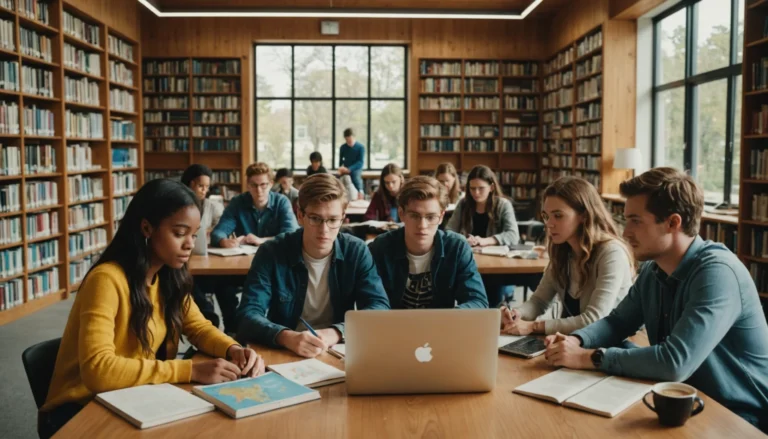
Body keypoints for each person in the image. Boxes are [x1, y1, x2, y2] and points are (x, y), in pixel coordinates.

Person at [542, 168, 768, 432]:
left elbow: (674, 363)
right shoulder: (654, 268)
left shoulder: (717, 273)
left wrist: (585, 357)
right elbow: (618, 322)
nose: (625, 232)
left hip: (741, 417)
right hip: (682, 399)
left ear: (673, 223)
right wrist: (577, 340)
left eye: (636, 221)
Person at [38, 179, 265, 439]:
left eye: (193, 234)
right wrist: (189, 370)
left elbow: (199, 328)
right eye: (179, 233)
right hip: (81, 409)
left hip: (133, 396)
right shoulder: (107, 280)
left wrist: (233, 349)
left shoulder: (169, 277)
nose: (190, 244)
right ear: (147, 227)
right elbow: (98, 371)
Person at [236, 173, 390, 358]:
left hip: (336, 348)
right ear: (300, 215)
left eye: (333, 220)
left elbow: (378, 307)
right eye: (315, 219)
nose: (324, 230)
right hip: (284, 349)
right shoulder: (271, 252)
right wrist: (286, 337)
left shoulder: (355, 251)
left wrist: (336, 332)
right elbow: (248, 314)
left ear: (343, 217)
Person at [500, 176, 634, 335]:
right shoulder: (562, 250)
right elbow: (539, 301)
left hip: (609, 346)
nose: (549, 224)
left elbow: (594, 319)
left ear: (584, 215)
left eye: (558, 215)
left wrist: (533, 326)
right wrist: (517, 314)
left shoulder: (611, 253)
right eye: (546, 216)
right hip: (570, 341)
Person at [369, 176, 487, 309]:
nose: (422, 225)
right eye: (414, 216)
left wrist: (450, 317)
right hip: (393, 327)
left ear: (441, 216)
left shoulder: (456, 247)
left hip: (442, 327)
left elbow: (478, 301)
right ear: (401, 214)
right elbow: (371, 302)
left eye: (431, 217)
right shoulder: (380, 248)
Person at [446, 165, 519, 307]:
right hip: (470, 260)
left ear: (491, 187)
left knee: (492, 293)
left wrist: (484, 241)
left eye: (481, 188)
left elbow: (513, 235)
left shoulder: (503, 205)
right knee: (466, 293)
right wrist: (464, 240)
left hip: (495, 264)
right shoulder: (464, 204)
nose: (476, 192)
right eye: (472, 188)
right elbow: (449, 231)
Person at [181, 164, 239, 333]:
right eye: (201, 186)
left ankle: (232, 329)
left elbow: (223, 227)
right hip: (185, 262)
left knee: (224, 282)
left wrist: (215, 234)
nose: (205, 190)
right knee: (189, 282)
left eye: (207, 187)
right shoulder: (177, 204)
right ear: (190, 184)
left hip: (208, 259)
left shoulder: (211, 206)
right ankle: (209, 322)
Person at [211, 162, 298, 248]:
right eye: (254, 185)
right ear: (248, 185)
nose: (259, 190)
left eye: (263, 185)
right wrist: (223, 241)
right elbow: (219, 231)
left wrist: (262, 240)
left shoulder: (281, 202)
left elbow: (291, 234)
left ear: (271, 184)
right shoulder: (237, 202)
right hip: (243, 257)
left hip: (275, 256)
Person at [338, 127, 364, 198]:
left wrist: (350, 169)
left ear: (353, 137)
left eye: (350, 139)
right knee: (339, 179)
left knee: (355, 177)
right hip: (345, 168)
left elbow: (360, 162)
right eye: (347, 140)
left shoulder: (360, 147)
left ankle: (360, 192)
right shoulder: (343, 147)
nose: (348, 141)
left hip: (356, 168)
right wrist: (341, 168)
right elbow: (341, 160)